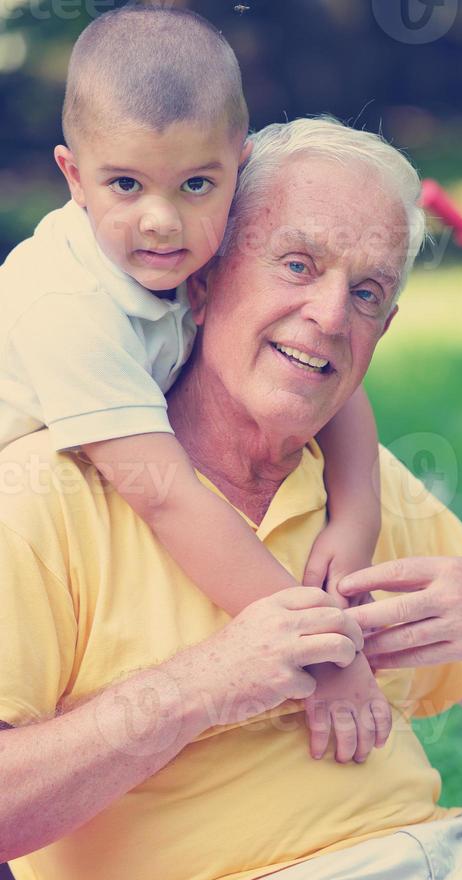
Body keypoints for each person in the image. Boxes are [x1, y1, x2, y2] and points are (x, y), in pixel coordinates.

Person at [1, 119, 462, 880]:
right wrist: (201, 687)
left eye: (370, 292)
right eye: (297, 265)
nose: (331, 315)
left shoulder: (361, 484)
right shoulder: (45, 493)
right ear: (204, 275)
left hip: (443, 879)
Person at [0, 3, 390, 767]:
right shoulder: (67, 307)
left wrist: (358, 517)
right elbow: (165, 494)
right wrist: (331, 655)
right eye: (125, 184)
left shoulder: (195, 243)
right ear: (73, 177)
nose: (161, 221)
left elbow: (325, 365)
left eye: (195, 185)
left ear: (235, 167)